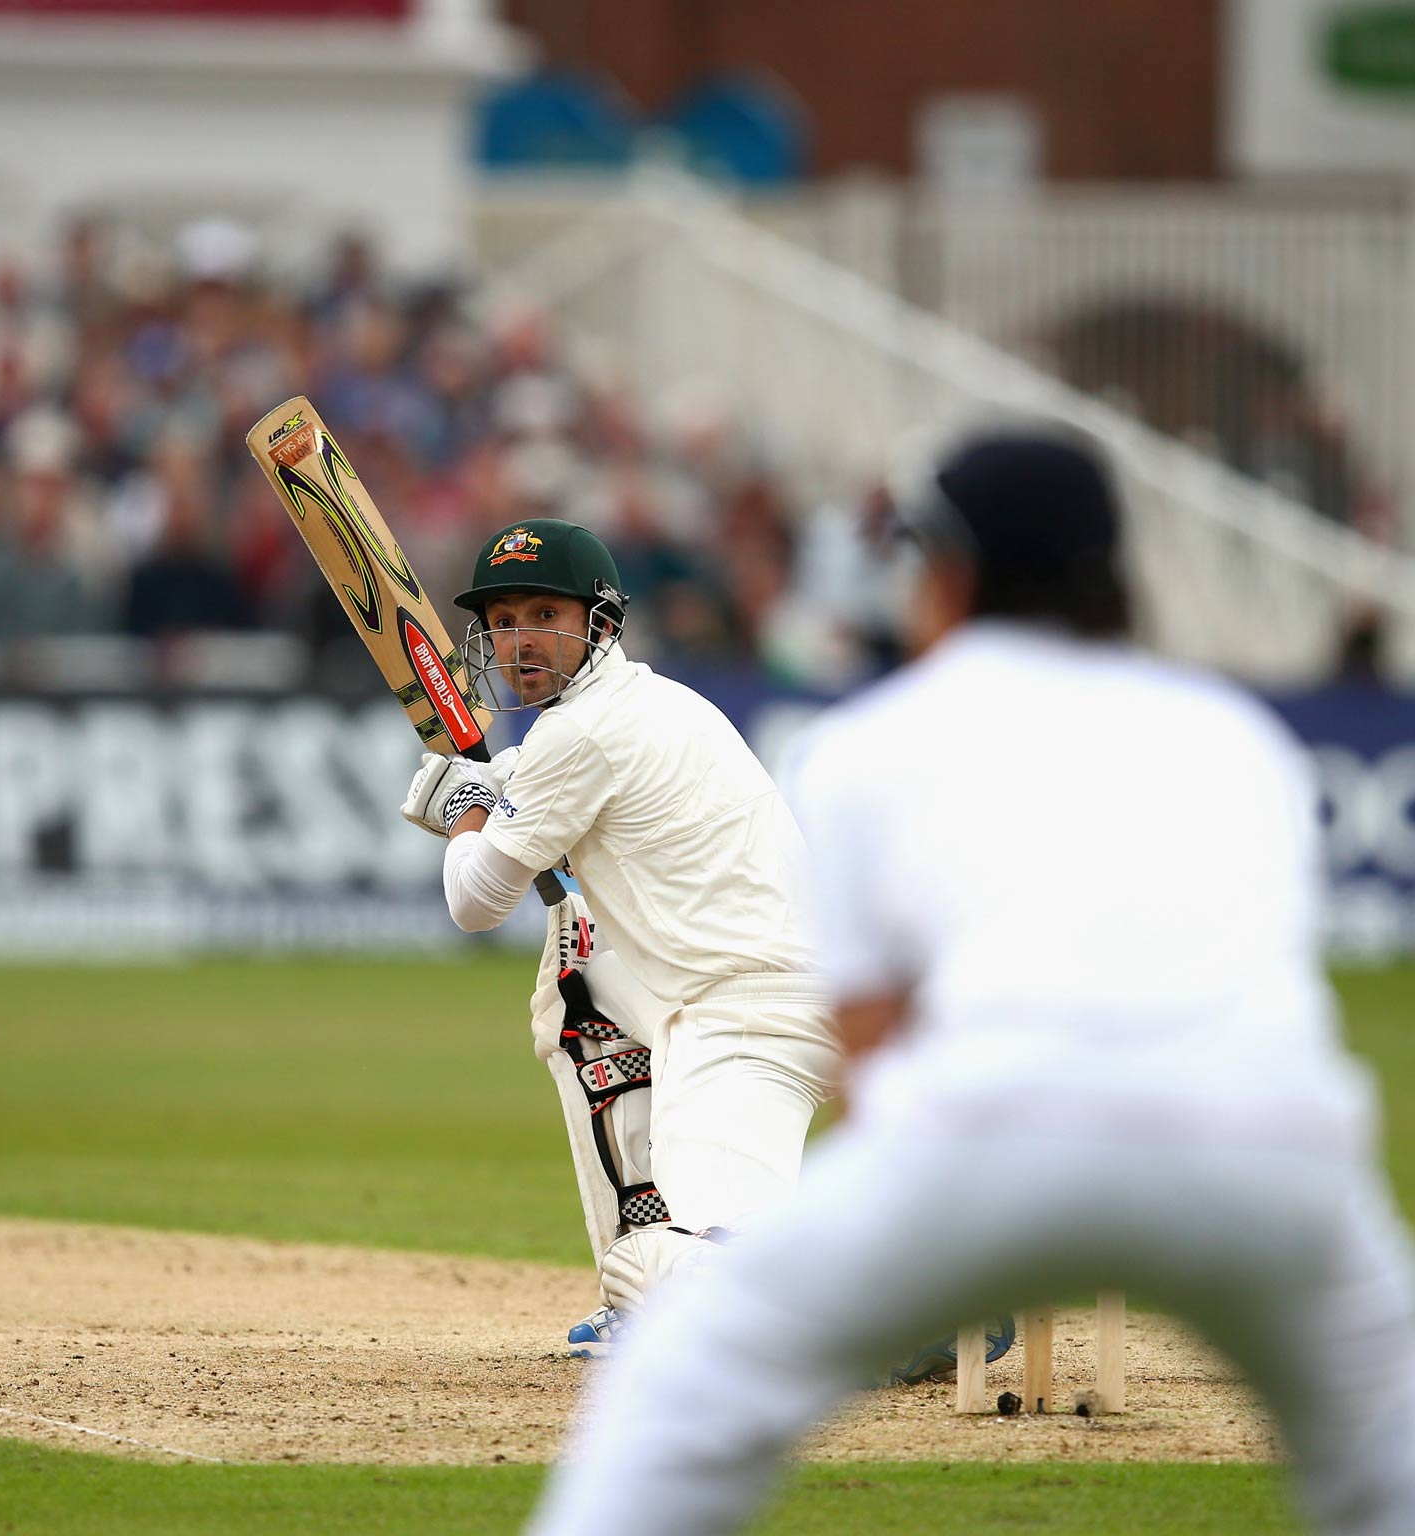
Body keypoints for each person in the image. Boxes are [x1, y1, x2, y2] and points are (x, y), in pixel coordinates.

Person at [525, 429, 1415, 1536]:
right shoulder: (1239, 738)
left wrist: (911, 1266)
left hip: (989, 1139)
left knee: (676, 1385)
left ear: (951, 572)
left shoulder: (862, 747)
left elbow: (871, 1051)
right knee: (1390, 1458)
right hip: (1278, 1165)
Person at [399, 516, 843, 1353]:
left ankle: (909, 1305)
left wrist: (464, 815)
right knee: (577, 976)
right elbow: (544, 829)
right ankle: (660, 1256)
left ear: (598, 622)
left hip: (750, 1016)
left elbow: (474, 903)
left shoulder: (580, 732)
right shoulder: (640, 703)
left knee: (695, 1279)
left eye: (542, 614)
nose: (519, 640)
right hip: (744, 988)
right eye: (500, 621)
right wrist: (489, 802)